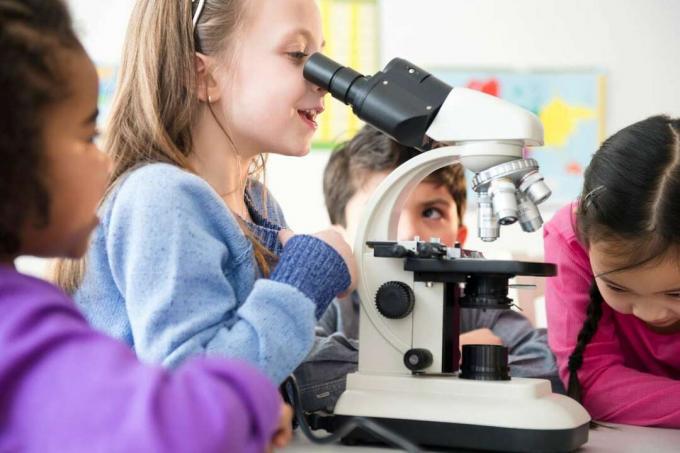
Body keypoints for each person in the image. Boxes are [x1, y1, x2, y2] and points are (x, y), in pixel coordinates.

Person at [0, 1, 293, 451]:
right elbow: (188, 430)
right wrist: (253, 402)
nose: (104, 162)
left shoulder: (26, 311)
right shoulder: (18, 327)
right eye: (85, 136)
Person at [55, 0, 356, 385]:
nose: (325, 80)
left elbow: (285, 360)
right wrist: (306, 279)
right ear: (203, 76)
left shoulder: (257, 203)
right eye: (297, 55)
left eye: (322, 56)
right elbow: (194, 392)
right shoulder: (161, 198)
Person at [294, 125, 561, 412]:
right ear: (344, 241)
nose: (410, 233)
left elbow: (546, 364)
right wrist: (448, 357)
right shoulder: (333, 305)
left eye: (431, 212)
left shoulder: (478, 310)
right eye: (384, 213)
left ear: (460, 238)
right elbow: (298, 368)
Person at [544, 115, 680, 427]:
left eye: (676, 292)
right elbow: (592, 384)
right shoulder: (570, 238)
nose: (652, 313)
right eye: (619, 288)